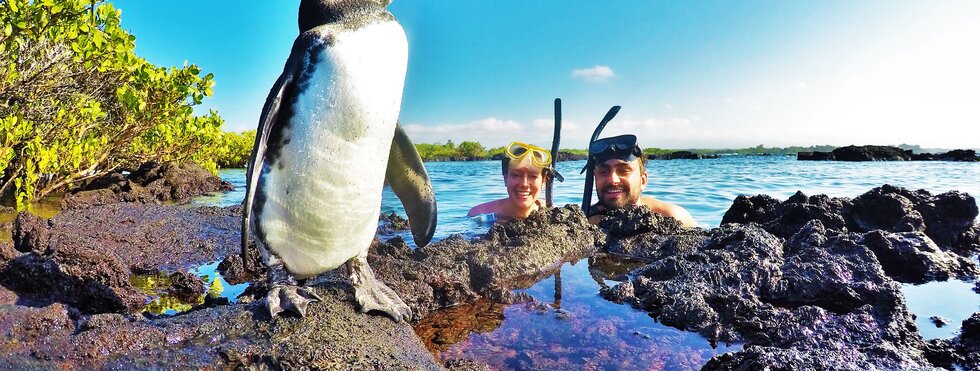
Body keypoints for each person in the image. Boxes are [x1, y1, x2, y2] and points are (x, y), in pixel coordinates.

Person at [585, 134, 697, 227]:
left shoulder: (674, 218)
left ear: (643, 180)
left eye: (624, 171)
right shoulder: (585, 222)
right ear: (595, 179)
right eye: (604, 172)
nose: (612, 179)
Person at [467, 141, 553, 223]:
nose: (524, 184)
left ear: (543, 181)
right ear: (505, 178)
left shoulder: (552, 212)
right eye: (516, 175)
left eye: (533, 176)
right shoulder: (478, 214)